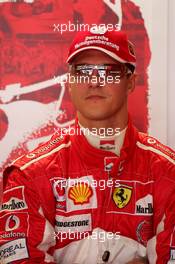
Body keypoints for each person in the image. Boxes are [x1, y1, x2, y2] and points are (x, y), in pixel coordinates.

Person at [0, 28, 175, 264]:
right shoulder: (29, 175)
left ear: (131, 82)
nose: (93, 82)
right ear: (70, 83)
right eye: (82, 72)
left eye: (108, 71)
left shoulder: (168, 172)